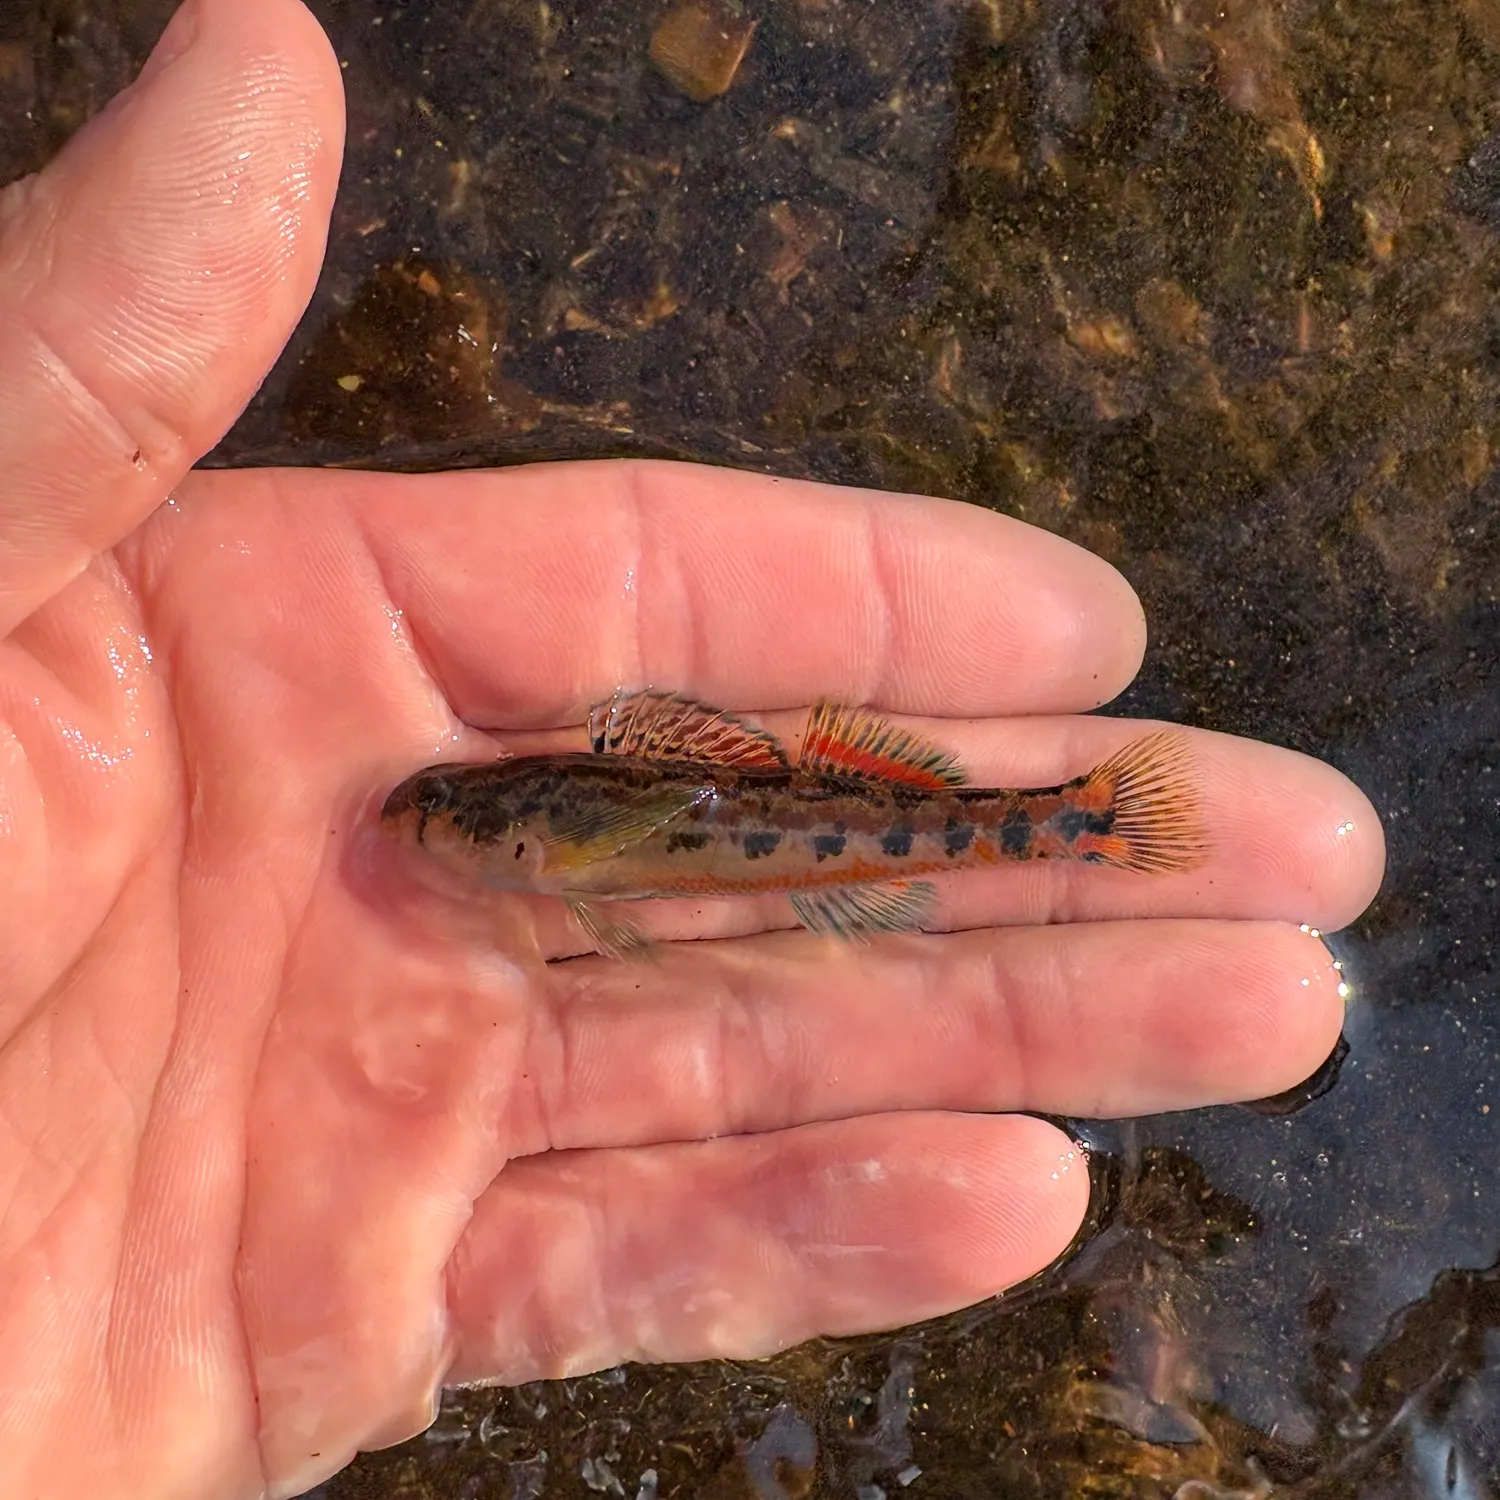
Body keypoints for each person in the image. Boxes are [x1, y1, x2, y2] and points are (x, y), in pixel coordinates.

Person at [0, 2, 1384, 1496]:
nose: (433, 829)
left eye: (449, 819)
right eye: (443, 816)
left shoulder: (568, 844)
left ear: (529, 838)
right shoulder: (556, 841)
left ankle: (1086, 824)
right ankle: (1074, 824)